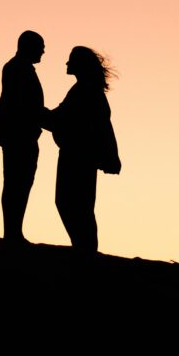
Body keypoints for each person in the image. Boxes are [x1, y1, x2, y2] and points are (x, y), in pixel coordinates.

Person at [44, 46, 121, 253]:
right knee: (79, 205)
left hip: (77, 156)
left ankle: (85, 250)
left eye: (70, 60)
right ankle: (85, 248)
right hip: (81, 156)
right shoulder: (85, 89)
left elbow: (62, 119)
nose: (67, 64)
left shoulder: (85, 91)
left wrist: (36, 113)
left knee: (72, 204)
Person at [0, 30, 46, 243]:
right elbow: (21, 105)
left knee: (20, 182)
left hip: (21, 133)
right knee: (16, 182)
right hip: (18, 134)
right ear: (28, 46)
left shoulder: (20, 68)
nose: (43, 51)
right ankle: (12, 232)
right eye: (40, 46)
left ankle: (14, 231)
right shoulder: (17, 68)